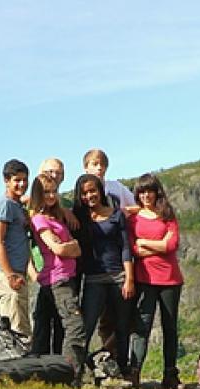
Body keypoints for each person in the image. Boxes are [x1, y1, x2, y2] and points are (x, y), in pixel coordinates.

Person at [72, 173, 137, 388]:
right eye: (85, 193)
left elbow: (125, 247)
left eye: (93, 190)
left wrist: (129, 278)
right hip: (93, 279)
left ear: (100, 191)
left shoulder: (116, 215)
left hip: (118, 276)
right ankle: (77, 371)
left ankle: (123, 370)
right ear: (80, 196)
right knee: (86, 326)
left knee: (122, 325)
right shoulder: (79, 219)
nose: (90, 195)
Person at [128, 173, 184, 389]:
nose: (145, 195)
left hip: (170, 280)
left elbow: (171, 246)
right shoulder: (133, 219)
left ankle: (170, 375)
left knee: (170, 327)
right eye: (141, 191)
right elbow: (133, 248)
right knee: (142, 327)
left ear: (156, 192)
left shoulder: (167, 215)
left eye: (149, 191)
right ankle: (135, 373)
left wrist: (144, 243)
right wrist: (157, 244)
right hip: (144, 280)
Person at [28, 173, 86, 385]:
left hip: (60, 278)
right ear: (38, 194)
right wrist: (71, 247)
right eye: (46, 192)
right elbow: (59, 247)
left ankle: (46, 377)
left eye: (54, 191)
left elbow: (73, 248)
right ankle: (70, 377)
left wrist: (70, 247)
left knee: (48, 330)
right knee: (75, 327)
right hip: (58, 279)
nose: (51, 196)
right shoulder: (40, 219)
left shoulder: (56, 217)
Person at [82, 148, 138, 362]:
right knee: (92, 322)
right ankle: (88, 366)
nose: (98, 168)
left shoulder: (116, 189)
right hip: (93, 275)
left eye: (101, 164)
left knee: (121, 322)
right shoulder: (82, 193)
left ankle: (118, 364)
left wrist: (124, 212)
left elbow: (136, 206)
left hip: (117, 271)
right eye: (93, 164)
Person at [30, 157, 69, 355]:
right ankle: (43, 367)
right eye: (51, 172)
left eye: (59, 173)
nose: (55, 175)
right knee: (44, 325)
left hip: (61, 272)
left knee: (56, 323)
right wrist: (32, 273)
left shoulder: (61, 207)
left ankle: (54, 367)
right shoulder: (31, 211)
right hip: (43, 273)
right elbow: (25, 243)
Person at [0, 159, 32, 337]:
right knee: (17, 333)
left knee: (21, 328)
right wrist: (10, 276)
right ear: (6, 181)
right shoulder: (5, 205)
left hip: (16, 275)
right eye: (17, 180)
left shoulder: (16, 205)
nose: (22, 184)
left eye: (25, 179)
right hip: (8, 276)